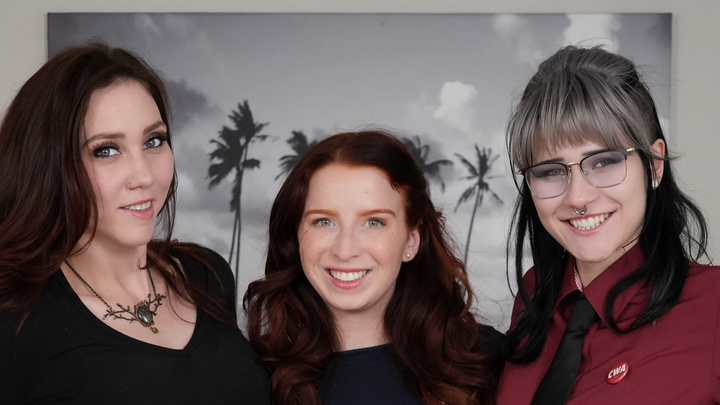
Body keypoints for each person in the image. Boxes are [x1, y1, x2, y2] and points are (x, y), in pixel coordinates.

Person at [0, 42, 270, 404]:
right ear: (48, 164)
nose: (143, 175)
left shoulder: (205, 274)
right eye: (106, 150)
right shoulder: (17, 321)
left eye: (154, 140)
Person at [498, 45, 719, 404]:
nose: (578, 197)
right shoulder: (534, 296)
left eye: (604, 162)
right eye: (550, 171)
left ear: (654, 165)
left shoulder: (713, 306)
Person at [244, 130, 503, 405]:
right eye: (323, 221)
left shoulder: (484, 358)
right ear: (295, 236)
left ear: (411, 241)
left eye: (374, 222)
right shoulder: (251, 374)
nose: (345, 250)